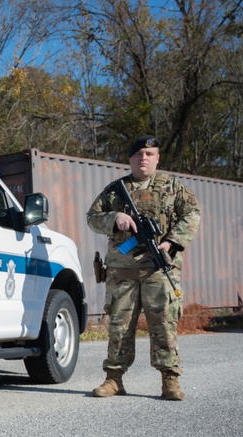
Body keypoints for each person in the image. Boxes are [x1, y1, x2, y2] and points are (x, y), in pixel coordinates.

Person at [86, 135, 201, 400]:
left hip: (159, 270)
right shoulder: (115, 190)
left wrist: (172, 241)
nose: (144, 158)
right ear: (130, 159)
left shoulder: (174, 188)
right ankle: (114, 380)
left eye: (150, 154)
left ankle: (170, 381)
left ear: (158, 157)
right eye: (138, 154)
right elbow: (92, 218)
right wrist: (116, 218)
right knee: (119, 326)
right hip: (121, 271)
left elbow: (192, 214)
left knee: (164, 325)